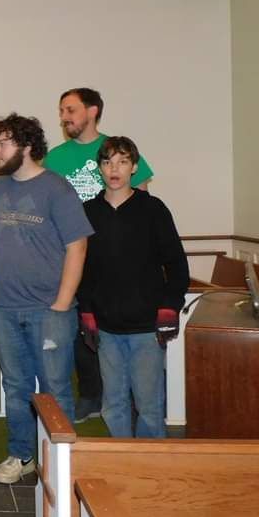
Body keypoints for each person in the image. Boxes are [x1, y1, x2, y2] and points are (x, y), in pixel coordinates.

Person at [0, 114, 92, 484]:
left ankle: (60, 462)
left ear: (27, 146)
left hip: (50, 310)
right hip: (6, 310)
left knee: (56, 386)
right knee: (16, 388)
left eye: (3, 143)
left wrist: (62, 302)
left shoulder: (56, 189)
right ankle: (22, 454)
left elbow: (77, 245)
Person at [44, 87, 154, 423]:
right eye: (62, 111)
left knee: (120, 333)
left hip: (118, 260)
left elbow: (142, 205)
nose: (64, 117)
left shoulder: (114, 149)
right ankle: (91, 394)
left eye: (70, 110)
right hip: (72, 258)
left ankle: (128, 398)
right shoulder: (54, 159)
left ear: (92, 111)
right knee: (80, 328)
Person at [77, 136, 188, 438]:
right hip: (106, 328)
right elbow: (81, 269)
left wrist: (169, 307)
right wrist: (86, 310)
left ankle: (150, 470)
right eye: (107, 161)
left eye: (122, 161)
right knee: (113, 404)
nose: (114, 168)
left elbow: (177, 265)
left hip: (146, 327)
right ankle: (120, 466)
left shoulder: (153, 209)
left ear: (134, 167)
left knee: (149, 404)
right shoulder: (88, 212)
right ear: (99, 168)